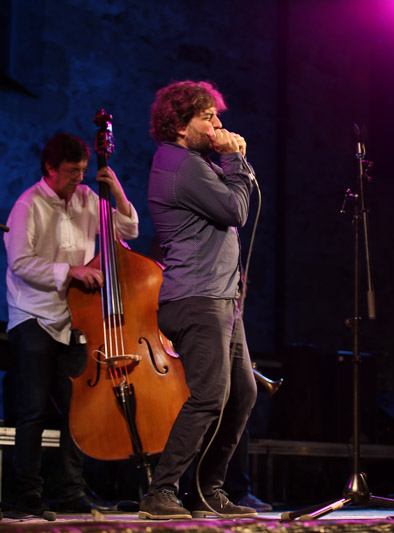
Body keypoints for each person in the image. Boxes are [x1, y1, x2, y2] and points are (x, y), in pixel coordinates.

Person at [139, 80, 258, 520]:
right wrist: (235, 159)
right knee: (209, 396)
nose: (217, 125)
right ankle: (160, 492)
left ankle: (207, 492)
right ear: (179, 125)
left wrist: (231, 162)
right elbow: (235, 211)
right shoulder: (180, 163)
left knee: (241, 394)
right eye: (207, 117)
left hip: (220, 299)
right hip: (197, 297)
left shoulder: (193, 162)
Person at [4, 132, 139, 514]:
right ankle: (28, 493)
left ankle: (70, 491)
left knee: (77, 413)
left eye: (82, 170)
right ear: (50, 168)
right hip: (33, 315)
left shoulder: (86, 199)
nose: (78, 178)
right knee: (32, 410)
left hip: (74, 319)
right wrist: (71, 271)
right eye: (71, 171)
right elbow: (20, 262)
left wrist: (117, 192)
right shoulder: (28, 205)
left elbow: (129, 230)